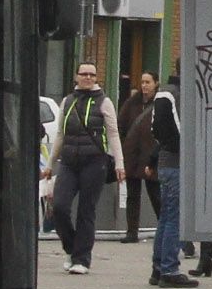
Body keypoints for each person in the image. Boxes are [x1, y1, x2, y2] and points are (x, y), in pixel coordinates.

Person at [43, 62, 125, 274]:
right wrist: (50, 165)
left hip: (94, 162)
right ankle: (71, 248)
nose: (88, 78)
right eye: (84, 74)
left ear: (96, 78)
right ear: (76, 77)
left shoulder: (104, 102)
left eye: (92, 75)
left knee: (86, 211)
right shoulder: (67, 101)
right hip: (69, 163)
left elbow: (114, 134)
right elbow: (60, 135)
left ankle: (82, 260)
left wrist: (119, 164)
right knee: (59, 207)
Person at [146, 72, 197, 287]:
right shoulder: (182, 94)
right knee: (175, 217)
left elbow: (155, 129)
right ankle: (169, 268)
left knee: (166, 217)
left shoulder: (164, 92)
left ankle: (158, 268)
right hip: (178, 162)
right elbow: (185, 130)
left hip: (165, 160)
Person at [118, 73, 157, 245]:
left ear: (156, 84)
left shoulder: (160, 103)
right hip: (132, 156)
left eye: (148, 82)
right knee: (132, 195)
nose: (144, 86)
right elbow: (120, 125)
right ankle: (131, 231)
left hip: (151, 156)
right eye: (142, 82)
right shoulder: (132, 103)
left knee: (156, 195)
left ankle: (166, 230)